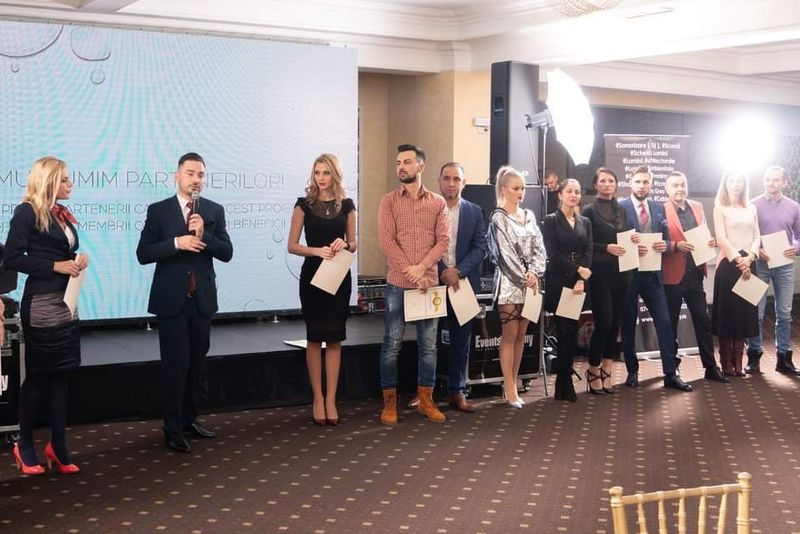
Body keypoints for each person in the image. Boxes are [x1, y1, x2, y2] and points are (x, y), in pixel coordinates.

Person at [137, 152, 233, 452]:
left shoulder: (213, 210)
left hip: (201, 300)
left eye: (201, 175)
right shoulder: (159, 210)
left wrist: (205, 235)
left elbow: (227, 252)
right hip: (171, 300)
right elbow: (144, 253)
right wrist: (177, 243)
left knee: (197, 364)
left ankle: (190, 418)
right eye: (190, 173)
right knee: (175, 365)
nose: (196, 180)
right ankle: (173, 427)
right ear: (177, 176)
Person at [5, 156, 89, 475]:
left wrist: (76, 260)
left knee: (61, 374)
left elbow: (59, 252)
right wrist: (55, 266)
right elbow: (13, 258)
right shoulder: (26, 211)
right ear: (50, 181)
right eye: (65, 179)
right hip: (41, 303)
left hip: (66, 301)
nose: (71, 184)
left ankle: (59, 446)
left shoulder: (60, 213)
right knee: (39, 376)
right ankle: (24, 445)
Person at [377, 144, 449, 425]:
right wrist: (412, 272)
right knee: (391, 344)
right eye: (398, 163)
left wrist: (422, 269)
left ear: (421, 166)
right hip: (399, 283)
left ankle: (426, 400)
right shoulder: (389, 201)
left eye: (407, 162)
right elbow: (387, 241)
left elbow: (443, 241)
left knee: (428, 346)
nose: (401, 167)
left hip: (427, 285)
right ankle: (389, 403)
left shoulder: (438, 203)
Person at [288, 154, 357, 425]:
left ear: (335, 175)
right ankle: (318, 397)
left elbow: (354, 244)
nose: (321, 178)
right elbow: (292, 245)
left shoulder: (347, 205)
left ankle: (331, 399)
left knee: (335, 339)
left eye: (326, 172)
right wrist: (316, 251)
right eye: (317, 172)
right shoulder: (303, 205)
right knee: (315, 338)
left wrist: (345, 244)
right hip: (313, 277)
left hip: (338, 276)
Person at [619, 166, 698, 391]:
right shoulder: (621, 207)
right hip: (629, 275)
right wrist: (630, 247)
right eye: (638, 181)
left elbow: (664, 237)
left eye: (646, 182)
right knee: (628, 324)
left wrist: (665, 245)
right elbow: (616, 240)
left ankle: (671, 373)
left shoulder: (657, 207)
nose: (642, 186)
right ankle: (632, 371)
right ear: (631, 183)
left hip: (653, 275)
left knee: (664, 323)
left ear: (651, 184)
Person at [486, 166, 546, 408]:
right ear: (504, 189)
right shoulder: (498, 218)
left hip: (531, 284)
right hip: (509, 284)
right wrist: (524, 277)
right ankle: (508, 386)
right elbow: (504, 255)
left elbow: (540, 248)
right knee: (509, 334)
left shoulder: (529, 216)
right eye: (515, 188)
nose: (520, 192)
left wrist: (535, 273)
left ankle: (514, 381)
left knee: (522, 335)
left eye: (523, 188)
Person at [662, 172, 729, 384]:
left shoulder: (697, 207)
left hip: (695, 274)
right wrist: (675, 246)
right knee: (671, 324)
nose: (680, 189)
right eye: (675, 185)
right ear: (667, 189)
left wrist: (709, 241)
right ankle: (672, 370)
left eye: (682, 184)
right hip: (672, 275)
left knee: (703, 321)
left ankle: (710, 367)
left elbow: (704, 233)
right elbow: (657, 242)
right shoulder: (660, 209)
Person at [435, 161, 487, 412]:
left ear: (464, 183)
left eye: (456, 179)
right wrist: (442, 271)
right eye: (447, 178)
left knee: (461, 341)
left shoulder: (475, 211)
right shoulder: (429, 209)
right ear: (439, 181)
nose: (451, 183)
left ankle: (457, 392)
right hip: (432, 282)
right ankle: (426, 391)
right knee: (429, 341)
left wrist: (458, 271)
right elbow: (422, 244)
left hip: (463, 284)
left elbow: (480, 247)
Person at [581, 167, 635, 394]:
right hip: (600, 272)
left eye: (611, 180)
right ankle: (593, 368)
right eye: (602, 180)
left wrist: (633, 239)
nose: (607, 184)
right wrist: (607, 248)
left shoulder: (622, 209)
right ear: (596, 185)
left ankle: (607, 369)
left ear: (616, 184)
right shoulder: (588, 211)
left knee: (616, 324)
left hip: (623, 272)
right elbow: (585, 243)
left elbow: (626, 235)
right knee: (604, 321)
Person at [746, 165, 800, 374]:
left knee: (784, 314)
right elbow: (746, 236)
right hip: (759, 264)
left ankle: (783, 358)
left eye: (776, 180)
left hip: (784, 265)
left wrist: (794, 247)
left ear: (784, 182)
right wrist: (757, 250)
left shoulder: (794, 207)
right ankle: (754, 355)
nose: (771, 183)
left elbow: (798, 237)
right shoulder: (752, 205)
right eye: (768, 179)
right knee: (756, 313)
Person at [542, 178, 592, 402]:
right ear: (560, 194)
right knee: (562, 329)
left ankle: (564, 380)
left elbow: (588, 251)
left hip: (578, 282)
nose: (574, 195)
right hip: (558, 279)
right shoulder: (551, 220)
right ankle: (565, 381)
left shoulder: (585, 222)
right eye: (569, 191)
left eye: (577, 192)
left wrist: (581, 278)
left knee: (571, 331)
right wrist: (577, 270)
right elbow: (552, 253)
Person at [711, 171, 760, 377]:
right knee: (727, 314)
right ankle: (726, 362)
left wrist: (750, 257)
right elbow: (721, 238)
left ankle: (738, 361)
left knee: (744, 314)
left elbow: (757, 236)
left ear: (744, 184)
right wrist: (739, 260)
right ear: (725, 184)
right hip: (728, 264)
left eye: (739, 180)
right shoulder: (719, 208)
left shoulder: (752, 207)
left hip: (749, 265)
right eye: (732, 180)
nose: (736, 184)